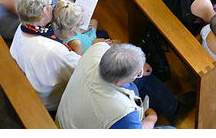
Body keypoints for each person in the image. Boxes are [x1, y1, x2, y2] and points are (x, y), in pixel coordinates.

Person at [56, 41, 195, 129]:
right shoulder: (123, 112)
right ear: (119, 82)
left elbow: (109, 46)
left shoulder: (96, 49)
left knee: (145, 79)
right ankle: (172, 110)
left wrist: (137, 65)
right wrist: (152, 118)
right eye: (138, 73)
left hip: (70, 113)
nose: (141, 72)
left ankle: (174, 108)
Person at [9, 0, 80, 111]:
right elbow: (80, 70)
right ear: (44, 11)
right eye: (50, 4)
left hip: (33, 77)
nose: (51, 7)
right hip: (51, 100)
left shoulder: (24, 25)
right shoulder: (52, 50)